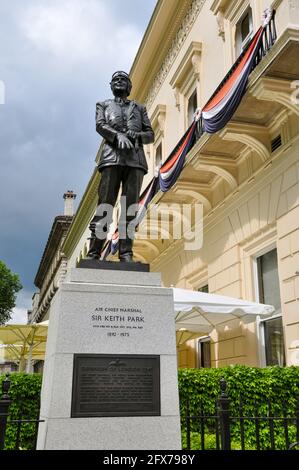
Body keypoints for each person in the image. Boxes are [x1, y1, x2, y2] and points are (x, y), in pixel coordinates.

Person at [87, 71, 154, 262]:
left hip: (135, 160)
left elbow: (150, 134)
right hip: (111, 158)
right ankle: (94, 252)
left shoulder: (139, 108)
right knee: (105, 205)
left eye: (123, 80)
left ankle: (126, 253)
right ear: (111, 85)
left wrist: (136, 136)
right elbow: (100, 125)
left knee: (130, 208)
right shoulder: (103, 105)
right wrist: (118, 136)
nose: (119, 82)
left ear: (129, 87)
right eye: (116, 80)